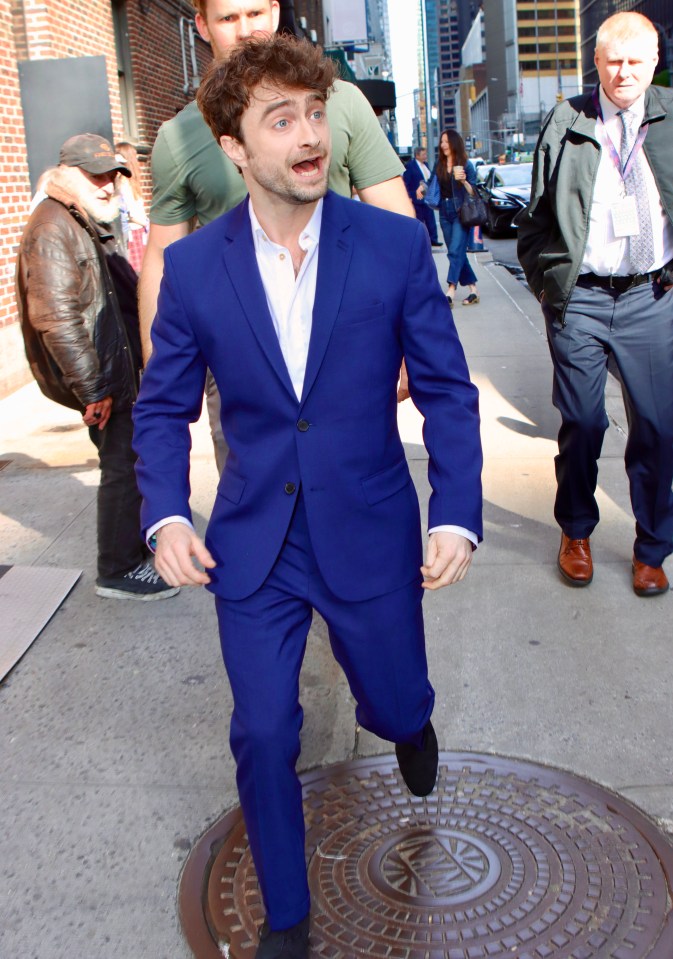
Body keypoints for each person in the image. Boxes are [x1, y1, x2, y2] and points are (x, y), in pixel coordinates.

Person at [132, 35, 483, 959]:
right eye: (279, 120)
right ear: (232, 147)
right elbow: (163, 404)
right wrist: (166, 512)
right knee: (262, 727)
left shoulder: (394, 247)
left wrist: (454, 510)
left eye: (315, 114)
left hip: (367, 528)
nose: (309, 137)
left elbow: (447, 389)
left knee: (395, 698)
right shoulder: (199, 270)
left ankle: (408, 721)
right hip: (255, 543)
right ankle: (287, 916)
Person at [138, 0, 415, 468]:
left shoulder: (338, 102)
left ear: (275, 10)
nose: (247, 31)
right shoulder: (179, 137)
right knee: (252, 499)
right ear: (202, 25)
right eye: (229, 19)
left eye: (255, 14)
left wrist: (407, 338)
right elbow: (163, 255)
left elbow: (395, 222)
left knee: (349, 487)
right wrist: (157, 367)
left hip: (341, 338)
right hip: (235, 356)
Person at [517, 11, 673, 597]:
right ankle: (576, 531)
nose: (624, 71)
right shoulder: (568, 119)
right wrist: (545, 284)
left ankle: (652, 547)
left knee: (657, 429)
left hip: (651, 298)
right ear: (597, 63)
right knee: (583, 421)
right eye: (613, 60)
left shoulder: (670, 117)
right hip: (580, 298)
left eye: (635, 60)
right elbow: (532, 217)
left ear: (653, 62)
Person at [15, 134, 178, 602]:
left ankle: (128, 553)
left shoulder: (80, 219)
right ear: (66, 174)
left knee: (126, 461)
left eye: (112, 174)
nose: (107, 184)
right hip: (102, 380)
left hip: (113, 372)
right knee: (121, 467)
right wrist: (93, 390)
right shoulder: (52, 225)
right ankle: (118, 568)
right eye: (95, 175)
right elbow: (57, 318)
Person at [435, 129, 480, 307]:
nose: (443, 145)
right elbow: (431, 182)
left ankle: (451, 290)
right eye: (442, 141)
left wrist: (463, 181)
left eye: (446, 141)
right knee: (457, 252)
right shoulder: (439, 164)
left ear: (454, 143)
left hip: (460, 212)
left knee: (454, 251)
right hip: (444, 213)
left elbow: (474, 192)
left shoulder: (466, 164)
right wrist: (422, 188)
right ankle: (473, 290)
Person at [115, 141, 149, 274]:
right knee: (136, 274)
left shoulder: (128, 183)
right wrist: (147, 223)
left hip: (138, 232)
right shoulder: (123, 184)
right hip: (133, 233)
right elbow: (132, 214)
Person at [402, 146, 442, 247]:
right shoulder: (410, 166)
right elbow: (406, 183)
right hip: (417, 198)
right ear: (417, 155)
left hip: (427, 198)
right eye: (423, 154)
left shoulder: (426, 165)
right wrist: (410, 196)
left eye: (425, 154)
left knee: (431, 220)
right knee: (420, 220)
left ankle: (433, 239)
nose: (425, 156)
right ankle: (420, 241)